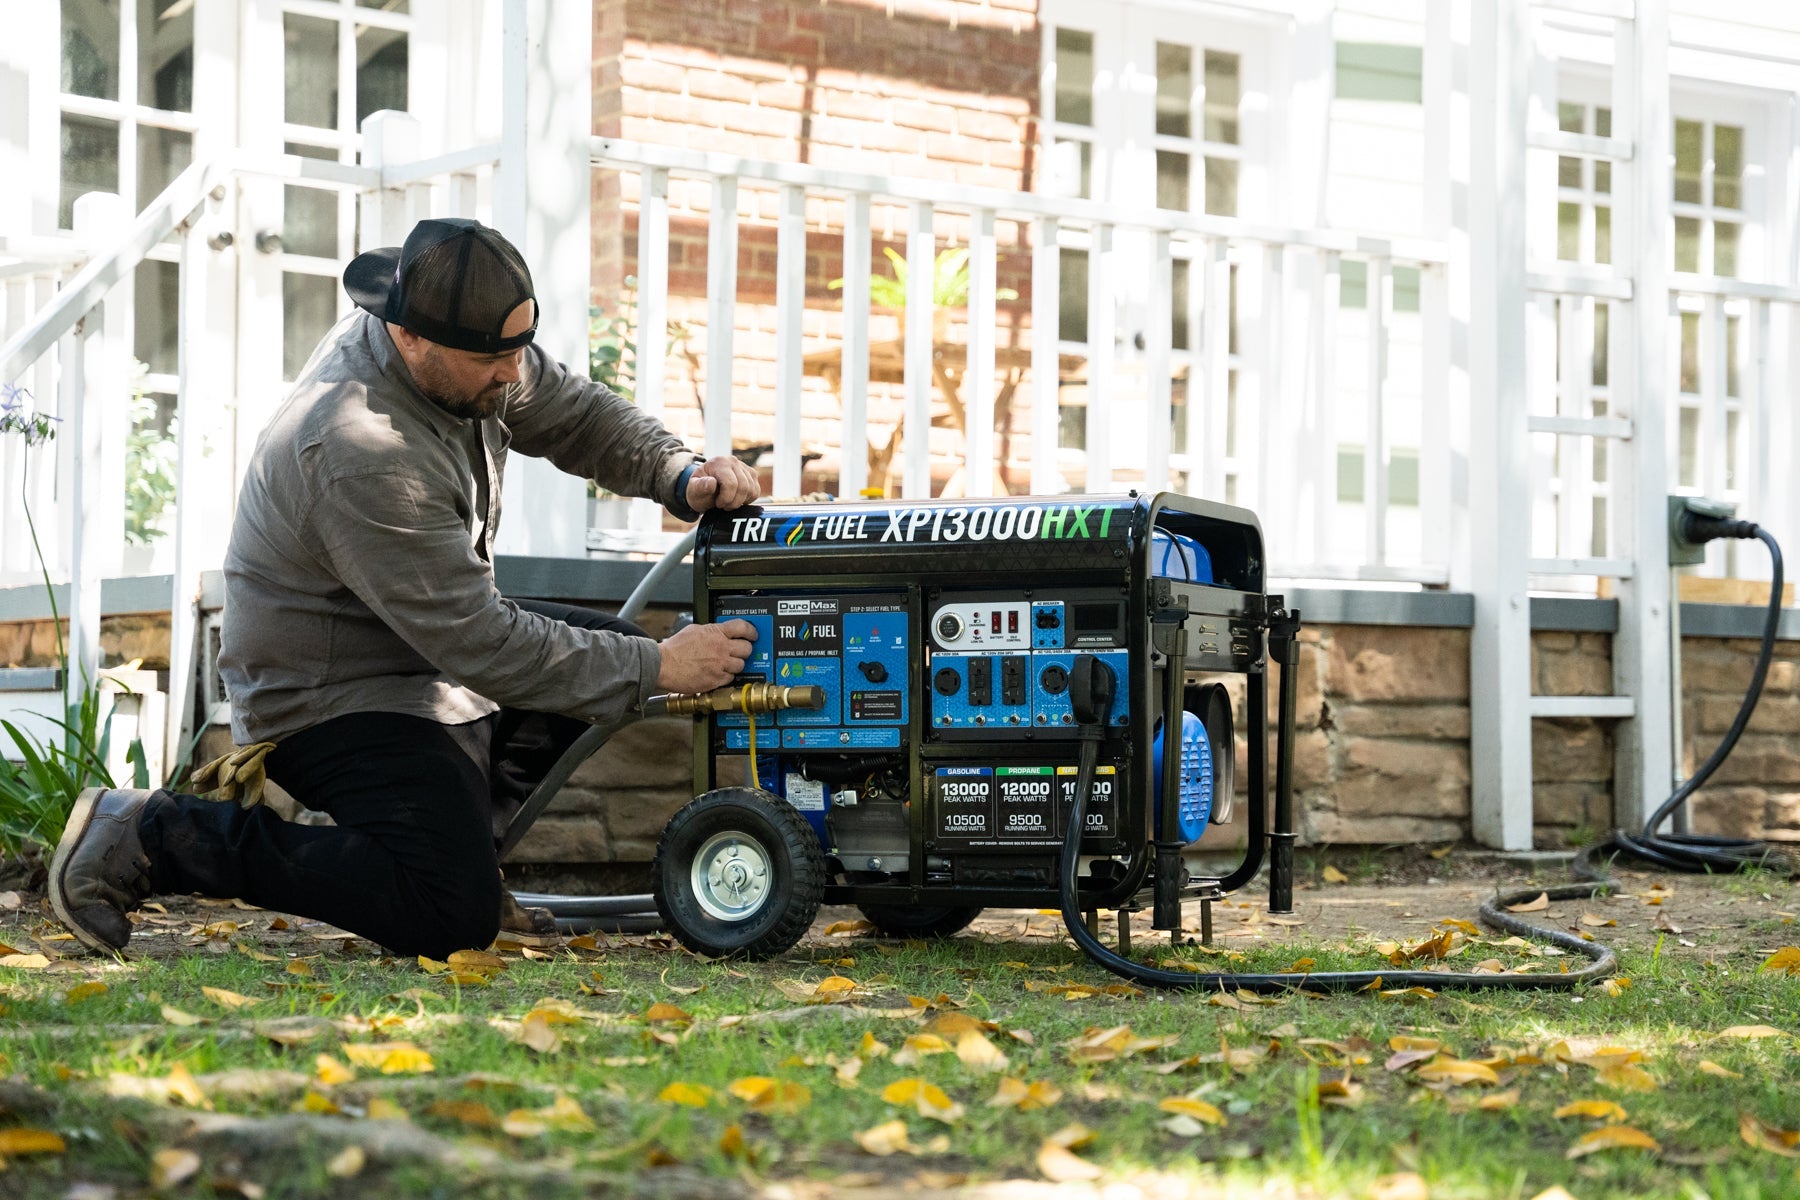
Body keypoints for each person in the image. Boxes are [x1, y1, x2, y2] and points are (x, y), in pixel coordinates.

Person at [47, 217, 760, 959]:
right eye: (495, 358)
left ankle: (459, 856)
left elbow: (573, 413)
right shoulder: (361, 446)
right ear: (409, 336)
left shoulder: (463, 344)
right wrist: (662, 667)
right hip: (329, 696)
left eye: (520, 348)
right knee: (448, 913)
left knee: (605, 654)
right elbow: (481, 644)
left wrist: (677, 474)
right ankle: (154, 832)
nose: (514, 374)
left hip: (422, 662)